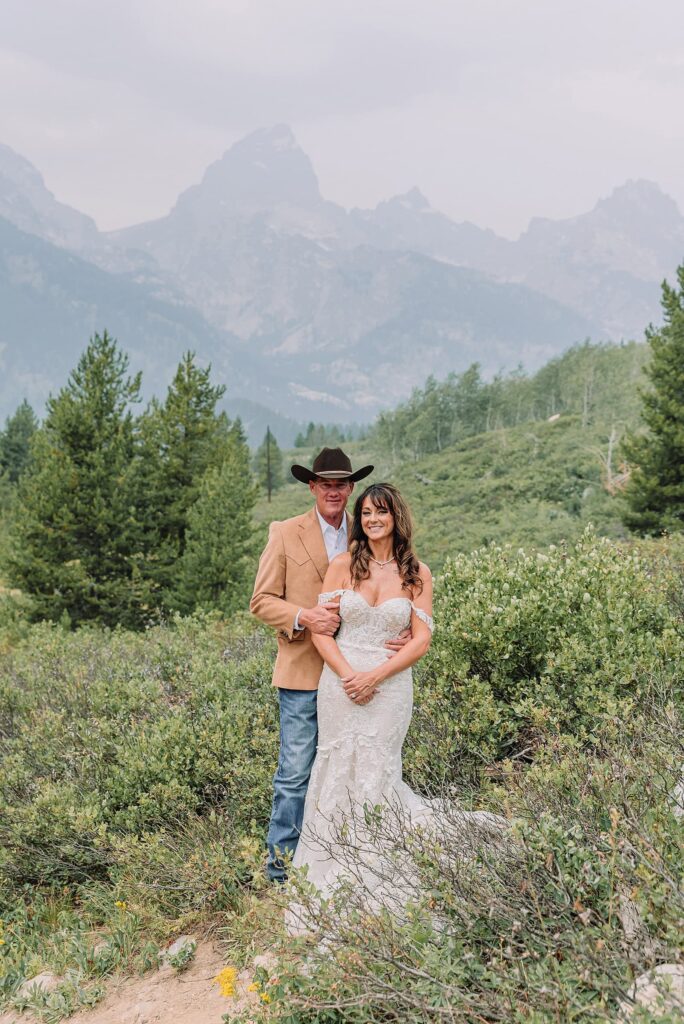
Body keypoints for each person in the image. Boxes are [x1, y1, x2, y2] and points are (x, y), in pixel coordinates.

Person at [288, 482, 507, 913]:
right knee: (335, 768)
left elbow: (421, 640)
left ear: (396, 518)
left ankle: (379, 866)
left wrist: (376, 676)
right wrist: (351, 675)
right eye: (366, 513)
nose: (372, 520)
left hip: (389, 687)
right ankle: (327, 868)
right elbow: (321, 632)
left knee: (377, 769)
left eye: (381, 513)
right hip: (340, 682)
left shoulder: (416, 573)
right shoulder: (343, 565)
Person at [250, 448, 410, 883]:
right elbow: (260, 601)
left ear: (351, 488)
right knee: (297, 770)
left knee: (352, 769)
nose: (334, 491)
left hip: (358, 678)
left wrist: (407, 631)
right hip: (305, 672)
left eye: (342, 484)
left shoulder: (368, 532)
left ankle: (343, 864)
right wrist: (304, 616)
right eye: (326, 484)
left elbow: (396, 588)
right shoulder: (285, 533)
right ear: (313, 487)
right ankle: (281, 872)